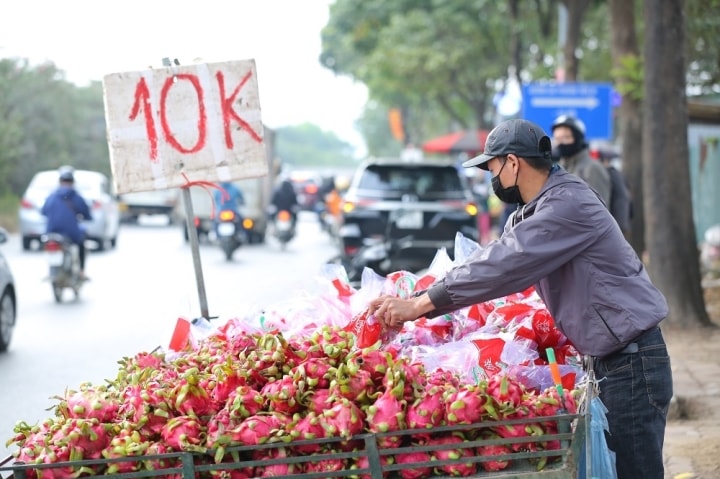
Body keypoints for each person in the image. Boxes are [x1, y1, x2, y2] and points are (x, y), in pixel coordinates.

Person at [368, 119, 673, 479]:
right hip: (614, 360)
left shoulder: (566, 204)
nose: (490, 177)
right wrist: (418, 294)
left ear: (512, 163)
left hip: (631, 364)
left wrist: (421, 306)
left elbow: (504, 264)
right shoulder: (536, 207)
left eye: (491, 167)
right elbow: (489, 256)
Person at [41, 168, 92, 279]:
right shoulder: (76, 197)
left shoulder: (51, 196)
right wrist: (88, 217)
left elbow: (43, 211)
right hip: (71, 233)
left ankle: (51, 272)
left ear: (60, 182)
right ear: (72, 183)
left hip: (51, 232)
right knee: (81, 242)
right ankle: (82, 272)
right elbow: (86, 213)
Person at [551, 115, 612, 208]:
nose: (561, 143)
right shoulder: (558, 169)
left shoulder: (592, 168)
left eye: (566, 138)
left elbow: (599, 209)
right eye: (558, 139)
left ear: (578, 138)